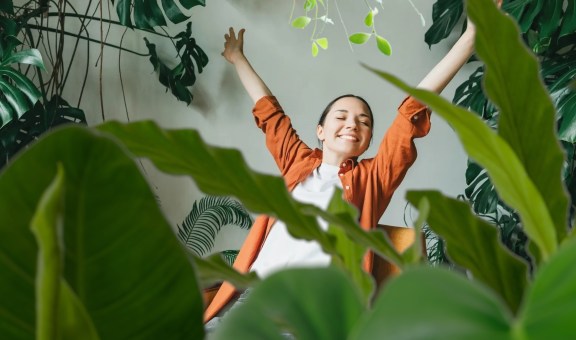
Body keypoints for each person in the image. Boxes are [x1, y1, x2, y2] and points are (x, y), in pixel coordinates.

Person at [205, 2, 498, 325]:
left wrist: (470, 36)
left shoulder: (373, 178)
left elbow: (414, 108)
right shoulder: (297, 161)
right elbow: (269, 112)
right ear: (321, 131)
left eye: (364, 121)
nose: (352, 124)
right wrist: (238, 59)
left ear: (369, 140)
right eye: (341, 117)